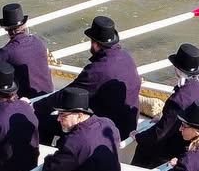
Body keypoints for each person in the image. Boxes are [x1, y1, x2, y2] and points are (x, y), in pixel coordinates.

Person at [39, 15, 140, 143]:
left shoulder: (97, 70)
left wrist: (35, 107)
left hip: (108, 130)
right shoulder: (126, 57)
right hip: (128, 125)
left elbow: (67, 95)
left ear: (95, 44)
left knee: (43, 122)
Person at [33, 87, 122, 171]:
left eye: (63, 115)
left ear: (79, 115)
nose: (58, 119)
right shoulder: (107, 123)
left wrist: (49, 158)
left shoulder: (76, 141)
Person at [132, 42, 199, 169]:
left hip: (184, 145)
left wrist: (139, 137)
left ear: (178, 69)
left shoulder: (180, 99)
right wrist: (164, 117)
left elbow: (161, 131)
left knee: (144, 148)